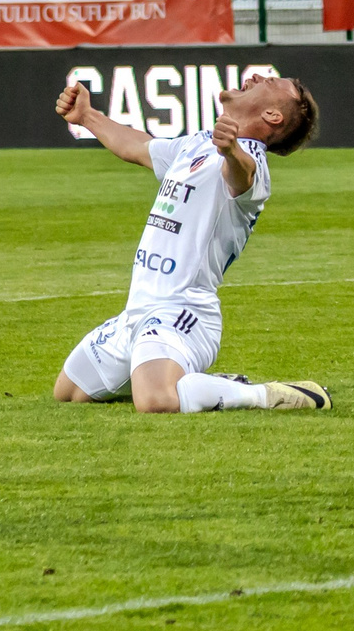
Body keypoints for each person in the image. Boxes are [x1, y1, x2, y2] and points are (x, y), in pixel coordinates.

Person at [50, 74, 327, 413]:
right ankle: (198, 382)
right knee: (70, 392)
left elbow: (242, 175)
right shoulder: (197, 143)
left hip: (184, 312)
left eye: (271, 81)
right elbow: (138, 147)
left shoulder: (252, 162)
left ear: (273, 116)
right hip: (137, 311)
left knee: (155, 401)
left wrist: (231, 151)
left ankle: (266, 395)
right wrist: (87, 117)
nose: (256, 76)